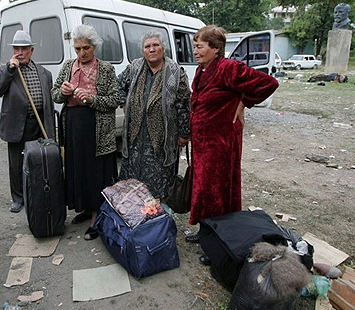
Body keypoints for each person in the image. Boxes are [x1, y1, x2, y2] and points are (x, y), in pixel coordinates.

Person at [185, 25, 279, 264]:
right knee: (203, 190)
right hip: (203, 142)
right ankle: (206, 232)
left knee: (217, 192)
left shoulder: (229, 68)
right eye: (195, 45)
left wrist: (244, 102)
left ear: (216, 49)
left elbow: (268, 83)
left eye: (200, 46)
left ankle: (218, 243)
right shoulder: (202, 69)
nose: (195, 50)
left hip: (221, 143)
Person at [52, 25, 119, 240]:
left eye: (86, 48)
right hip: (72, 124)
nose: (82, 53)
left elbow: (115, 100)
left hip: (96, 126)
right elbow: (54, 94)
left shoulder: (106, 69)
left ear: (94, 47)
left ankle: (96, 215)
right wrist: (62, 93)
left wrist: (92, 99)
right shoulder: (67, 66)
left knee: (95, 171)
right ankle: (84, 207)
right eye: (78, 48)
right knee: (77, 168)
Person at [118, 31, 190, 202]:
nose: (152, 49)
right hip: (135, 136)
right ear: (143, 50)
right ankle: (134, 214)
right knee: (133, 178)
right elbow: (118, 85)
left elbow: (184, 103)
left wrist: (184, 133)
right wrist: (124, 103)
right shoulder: (134, 68)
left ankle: (158, 217)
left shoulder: (175, 72)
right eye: (147, 46)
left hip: (163, 138)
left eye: (155, 45)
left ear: (163, 48)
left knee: (160, 179)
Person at [0, 30, 55, 213]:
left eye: (24, 48)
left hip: (38, 123)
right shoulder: (4, 71)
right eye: (16, 48)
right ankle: (18, 198)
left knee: (39, 161)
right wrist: (9, 70)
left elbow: (48, 103)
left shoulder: (44, 73)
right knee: (16, 164)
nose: (20, 51)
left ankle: (36, 193)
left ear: (31, 50)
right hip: (17, 125)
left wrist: (50, 130)